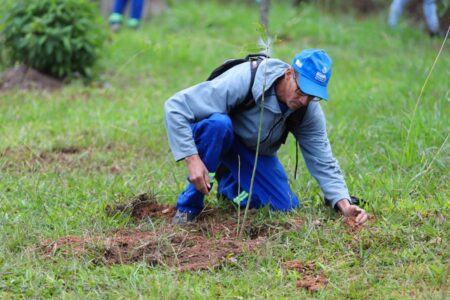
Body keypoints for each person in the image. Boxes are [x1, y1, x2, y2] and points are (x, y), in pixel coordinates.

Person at [164, 49, 369, 226]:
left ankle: (229, 186)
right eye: (302, 90)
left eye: (313, 95)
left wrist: (344, 204)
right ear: (289, 73)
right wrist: (191, 158)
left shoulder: (307, 110)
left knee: (285, 206)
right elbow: (175, 107)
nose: (304, 100)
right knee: (219, 124)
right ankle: (188, 207)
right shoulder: (246, 78)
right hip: (216, 136)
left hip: (250, 153)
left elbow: (322, 158)